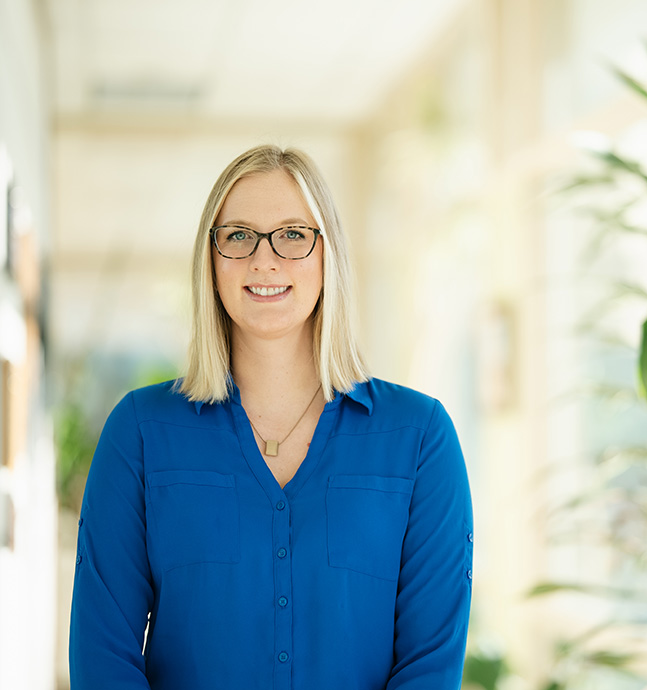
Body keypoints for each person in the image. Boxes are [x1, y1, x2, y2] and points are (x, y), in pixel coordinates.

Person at [69, 145, 474, 690]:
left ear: (327, 256)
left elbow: (429, 664)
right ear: (210, 263)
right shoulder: (139, 433)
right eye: (238, 235)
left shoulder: (421, 439)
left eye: (293, 234)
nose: (265, 260)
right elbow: (103, 657)